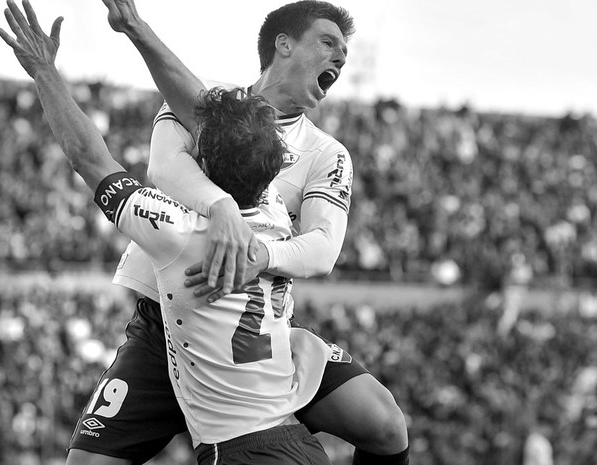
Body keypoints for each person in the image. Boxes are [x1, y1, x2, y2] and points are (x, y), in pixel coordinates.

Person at [0, 2, 334, 464]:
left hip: (241, 452)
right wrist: (135, 29)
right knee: (383, 425)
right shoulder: (277, 216)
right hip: (299, 444)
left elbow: (88, 156)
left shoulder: (179, 231)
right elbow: (220, 124)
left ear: (206, 165)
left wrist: (43, 71)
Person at [94, 1, 411, 465]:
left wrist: (260, 254)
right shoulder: (214, 102)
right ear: (283, 44)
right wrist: (221, 208)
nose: (340, 57)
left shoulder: (327, 154)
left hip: (254, 332)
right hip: (168, 323)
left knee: (385, 426)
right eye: (328, 43)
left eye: (344, 52)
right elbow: (163, 167)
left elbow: (323, 248)